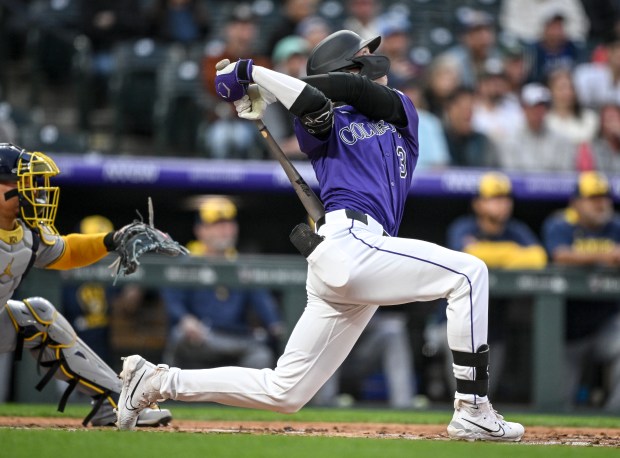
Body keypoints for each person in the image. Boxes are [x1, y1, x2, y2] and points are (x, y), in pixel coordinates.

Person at [117, 29, 525, 441]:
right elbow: (316, 102)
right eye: (363, 53)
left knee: (285, 391)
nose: (374, 58)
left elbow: (351, 87)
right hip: (346, 242)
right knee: (469, 274)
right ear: (343, 62)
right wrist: (262, 80)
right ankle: (473, 408)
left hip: (363, 251)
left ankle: (153, 382)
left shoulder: (401, 109)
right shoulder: (320, 122)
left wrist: (254, 76)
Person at [0, 143, 172, 427]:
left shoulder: (27, 232)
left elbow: (66, 251)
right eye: (20, 180)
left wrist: (112, 240)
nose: (30, 188)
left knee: (38, 316)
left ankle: (117, 406)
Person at [428, 172, 547, 399]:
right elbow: (467, 255)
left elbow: (538, 258)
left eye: (505, 198)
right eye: (494, 198)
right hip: (453, 323)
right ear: (478, 203)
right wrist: (513, 254)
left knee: (483, 396)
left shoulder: (516, 230)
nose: (502, 204)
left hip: (494, 330)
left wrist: (490, 252)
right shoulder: (462, 227)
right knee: (459, 392)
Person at [161, 196, 284, 370]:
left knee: (261, 355)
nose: (225, 230)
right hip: (199, 338)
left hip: (235, 339)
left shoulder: (241, 266)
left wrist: (276, 326)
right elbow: (173, 301)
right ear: (200, 230)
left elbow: (265, 307)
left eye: (229, 223)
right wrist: (185, 319)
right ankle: (169, 395)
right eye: (216, 224)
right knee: (179, 335)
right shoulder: (188, 262)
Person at [541, 171, 620, 411]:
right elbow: (560, 254)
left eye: (604, 197)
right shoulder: (560, 224)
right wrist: (606, 256)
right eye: (592, 198)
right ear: (576, 202)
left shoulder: (615, 226)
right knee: (558, 403)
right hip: (566, 332)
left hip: (605, 325)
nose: (600, 203)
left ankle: (614, 418)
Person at [496, 82, 575, 172]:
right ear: (524, 108)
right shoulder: (509, 140)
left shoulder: (562, 141)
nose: (538, 111)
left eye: (542, 106)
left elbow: (565, 177)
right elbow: (511, 175)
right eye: (533, 106)